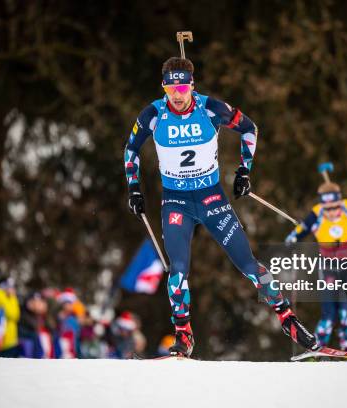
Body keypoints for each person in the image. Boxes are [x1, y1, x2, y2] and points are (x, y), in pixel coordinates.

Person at [123, 56, 318, 357]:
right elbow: (132, 148)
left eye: (182, 86)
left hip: (211, 197)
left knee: (249, 265)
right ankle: (183, 335)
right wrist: (134, 188)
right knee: (178, 271)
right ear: (164, 87)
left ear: (191, 85)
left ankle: (287, 319)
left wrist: (244, 171)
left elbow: (250, 129)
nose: (177, 94)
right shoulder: (153, 114)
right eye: (170, 87)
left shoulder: (211, 108)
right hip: (176, 201)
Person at [285, 181, 347, 353]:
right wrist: (293, 239)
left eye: (335, 207)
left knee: (346, 311)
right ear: (322, 205)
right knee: (328, 316)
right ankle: (316, 350)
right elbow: (301, 230)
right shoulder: (317, 214)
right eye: (328, 208)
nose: (332, 212)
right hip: (329, 266)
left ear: (339, 202)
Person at [0, 276, 21, 357]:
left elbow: (16, 315)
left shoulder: (8, 297)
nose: (11, 289)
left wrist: (12, 297)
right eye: (9, 286)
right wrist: (12, 297)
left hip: (10, 340)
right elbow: (12, 313)